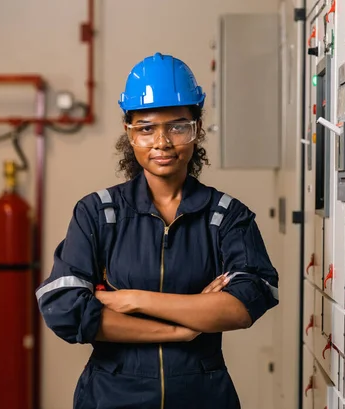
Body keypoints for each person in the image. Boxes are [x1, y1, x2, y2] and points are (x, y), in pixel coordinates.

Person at [35, 52, 279, 409]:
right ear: (129, 133)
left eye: (178, 126)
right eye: (147, 128)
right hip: (111, 397)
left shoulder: (226, 216)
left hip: (202, 398)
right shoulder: (98, 214)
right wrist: (184, 327)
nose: (162, 142)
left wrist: (135, 299)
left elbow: (244, 304)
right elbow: (65, 309)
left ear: (196, 128)